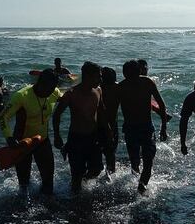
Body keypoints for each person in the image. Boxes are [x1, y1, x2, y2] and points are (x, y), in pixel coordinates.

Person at [0, 69, 61, 194]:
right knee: (24, 184)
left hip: (43, 141)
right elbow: (2, 117)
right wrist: (9, 138)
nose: (50, 92)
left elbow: (65, 98)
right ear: (40, 82)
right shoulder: (22, 96)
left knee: (48, 181)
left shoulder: (54, 92)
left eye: (53, 88)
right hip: (22, 143)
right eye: (48, 88)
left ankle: (46, 206)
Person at [53, 62, 111, 192]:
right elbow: (56, 115)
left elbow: (101, 111)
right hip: (76, 139)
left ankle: (83, 181)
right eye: (98, 76)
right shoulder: (71, 94)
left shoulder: (98, 90)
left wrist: (108, 131)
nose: (101, 80)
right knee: (76, 175)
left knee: (97, 169)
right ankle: (74, 200)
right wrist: (57, 136)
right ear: (87, 76)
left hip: (93, 137)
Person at [118, 60, 168, 194]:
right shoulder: (121, 87)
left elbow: (161, 104)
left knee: (148, 159)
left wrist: (164, 127)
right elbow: (111, 109)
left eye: (132, 73)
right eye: (126, 74)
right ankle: (136, 182)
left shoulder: (147, 82)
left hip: (146, 127)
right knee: (134, 160)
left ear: (138, 72)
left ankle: (142, 184)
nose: (129, 76)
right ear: (123, 73)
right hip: (130, 128)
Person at [100, 67, 120, 174]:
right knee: (109, 152)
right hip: (101, 124)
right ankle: (109, 174)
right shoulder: (98, 88)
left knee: (110, 152)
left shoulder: (117, 88)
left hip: (110, 124)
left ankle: (110, 174)